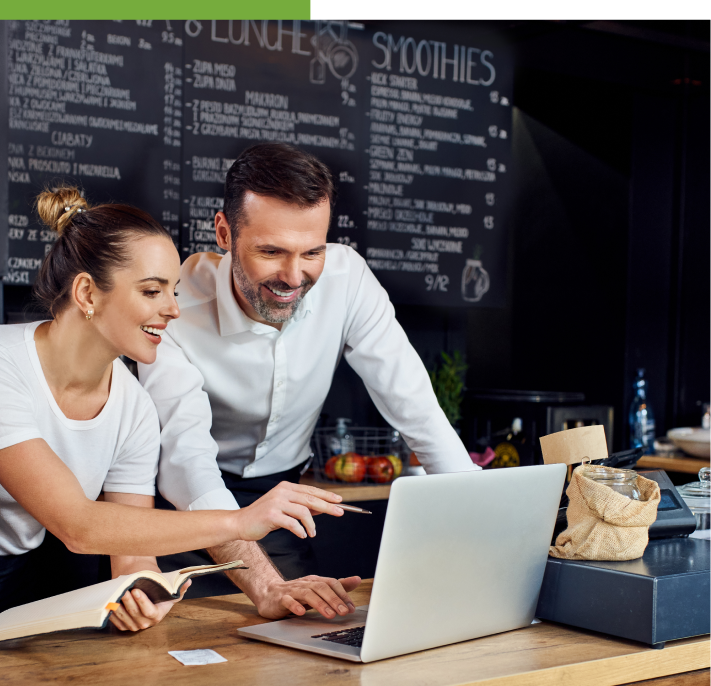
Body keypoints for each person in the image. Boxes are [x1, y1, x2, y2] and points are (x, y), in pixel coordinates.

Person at [0, 187, 356, 628]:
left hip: (15, 591)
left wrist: (140, 590)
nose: (173, 310)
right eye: (151, 291)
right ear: (86, 293)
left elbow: (130, 552)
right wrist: (239, 521)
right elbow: (77, 525)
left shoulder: (135, 408)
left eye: (174, 291)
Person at [137, 142, 479, 619]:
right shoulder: (174, 308)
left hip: (282, 502)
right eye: (271, 252)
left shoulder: (347, 279)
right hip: (182, 510)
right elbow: (185, 460)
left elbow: (414, 404)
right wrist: (262, 586)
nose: (293, 276)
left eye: (312, 251)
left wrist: (483, 520)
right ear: (224, 233)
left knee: (298, 646)